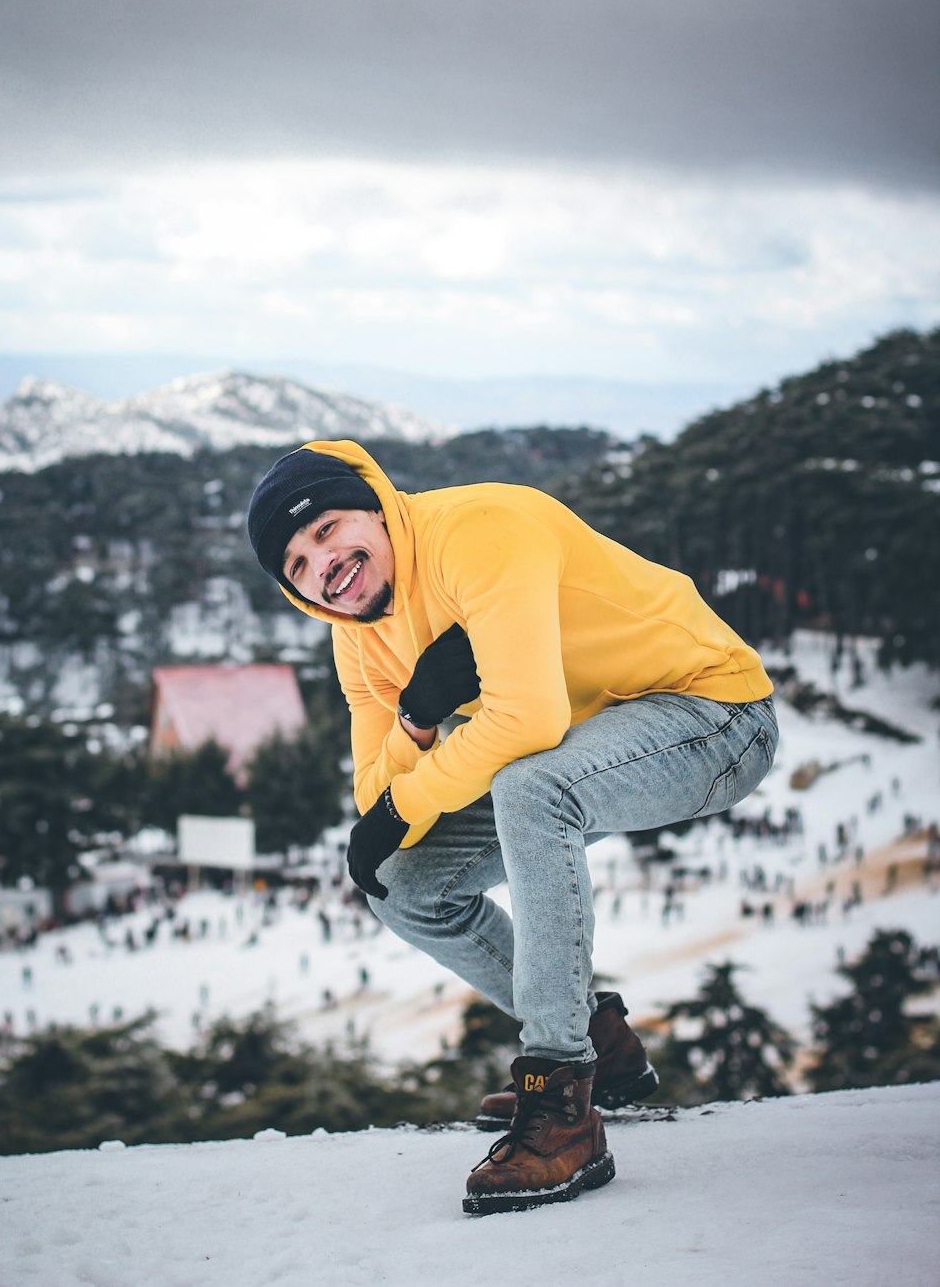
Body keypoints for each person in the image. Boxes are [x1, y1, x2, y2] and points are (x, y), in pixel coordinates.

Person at [247, 440, 778, 1216]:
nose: (321, 564)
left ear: (375, 504)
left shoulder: (478, 530)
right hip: (590, 745)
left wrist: (401, 804)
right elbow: (374, 788)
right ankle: (602, 1044)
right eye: (296, 564)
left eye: (327, 529)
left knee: (532, 784)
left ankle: (561, 1099)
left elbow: (527, 720)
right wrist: (418, 717)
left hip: (715, 713)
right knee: (402, 882)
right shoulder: (356, 636)